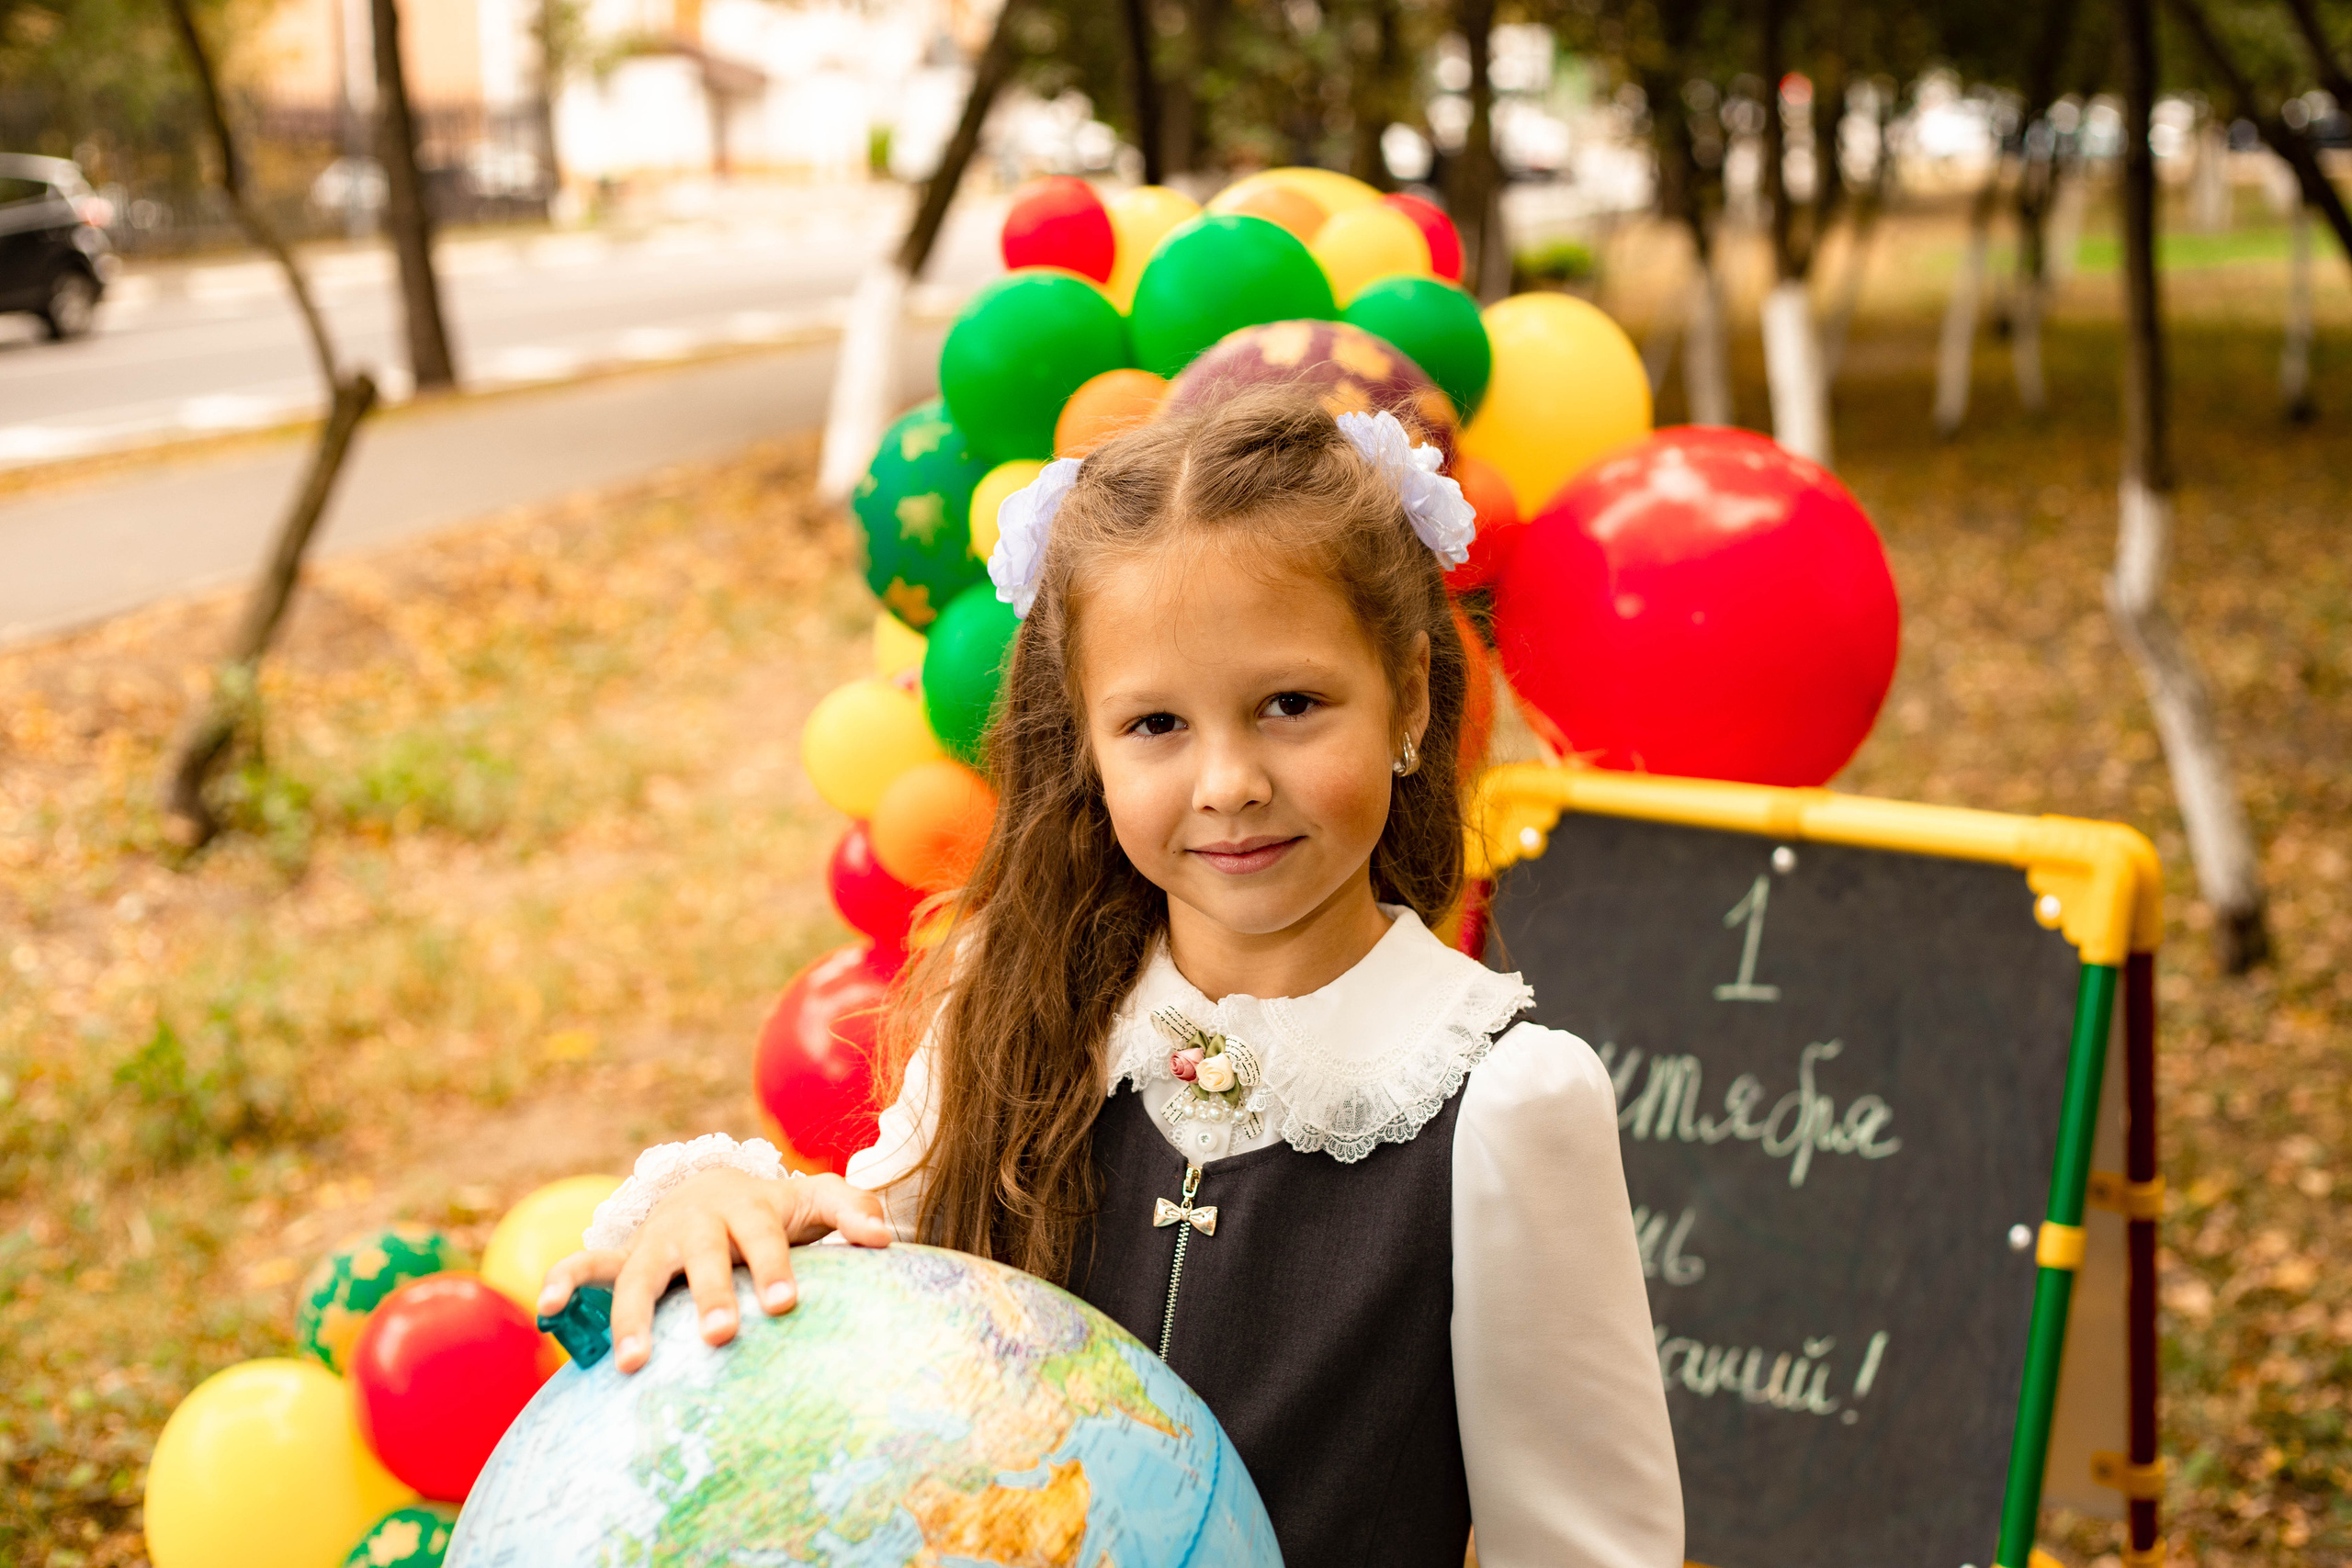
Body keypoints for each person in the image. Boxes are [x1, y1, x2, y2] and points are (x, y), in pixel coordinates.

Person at [539, 387, 1682, 1567]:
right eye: (1155, 726)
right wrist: (728, 1210)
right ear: (1085, 741)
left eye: (1290, 705)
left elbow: (1586, 1552)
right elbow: (868, 1313)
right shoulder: (1013, 1011)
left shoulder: (1505, 1103)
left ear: (1410, 695)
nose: (1228, 782)